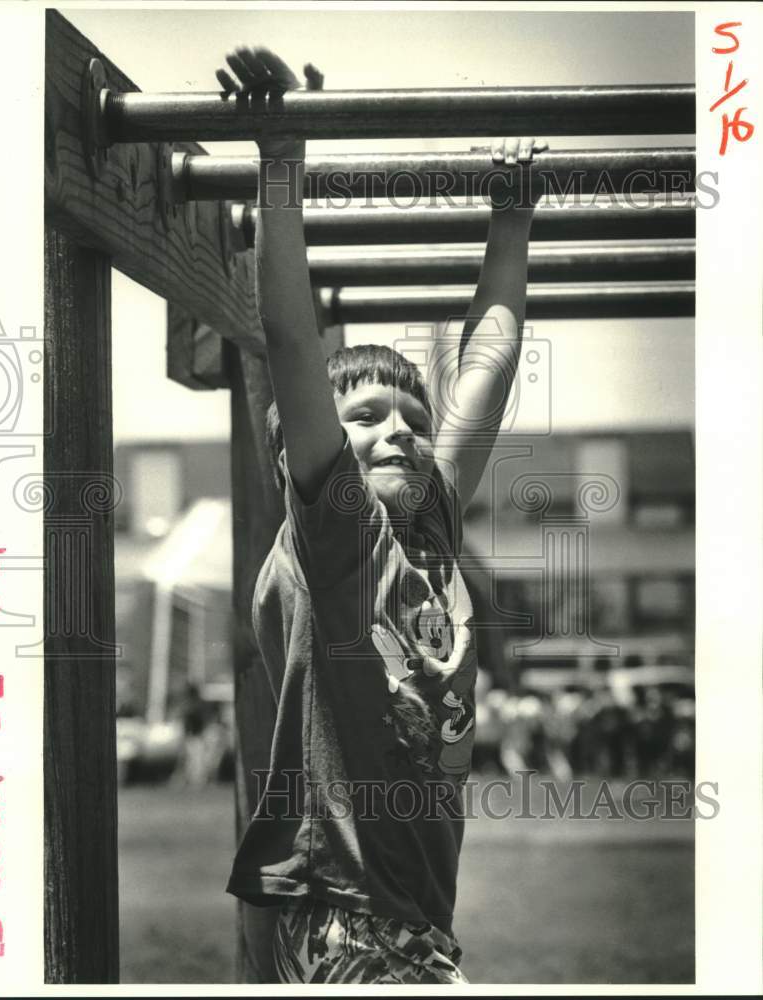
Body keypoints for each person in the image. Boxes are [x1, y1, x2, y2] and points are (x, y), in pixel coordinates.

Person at [218, 45, 548, 985]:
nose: (397, 432)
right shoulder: (342, 537)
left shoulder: (429, 534)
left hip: (412, 912)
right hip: (343, 911)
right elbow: (288, 338)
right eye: (364, 418)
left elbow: (485, 373)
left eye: (409, 417)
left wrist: (511, 225)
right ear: (307, 451)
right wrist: (281, 157)